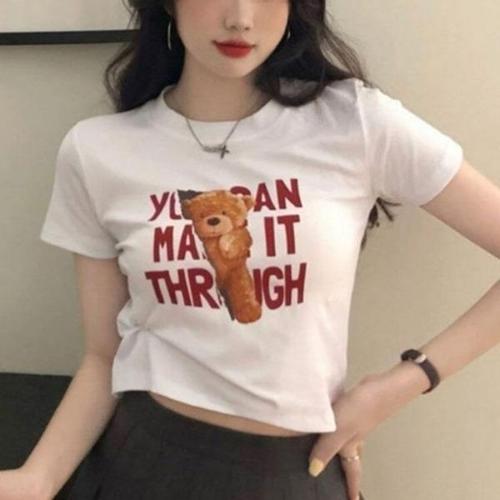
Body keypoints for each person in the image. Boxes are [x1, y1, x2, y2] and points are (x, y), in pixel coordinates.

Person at [3, 0, 499, 499]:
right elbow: (103, 356)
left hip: (294, 470)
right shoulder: (98, 150)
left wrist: (398, 385)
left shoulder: (355, 121)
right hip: (142, 458)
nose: (241, 17)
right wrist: (38, 478)